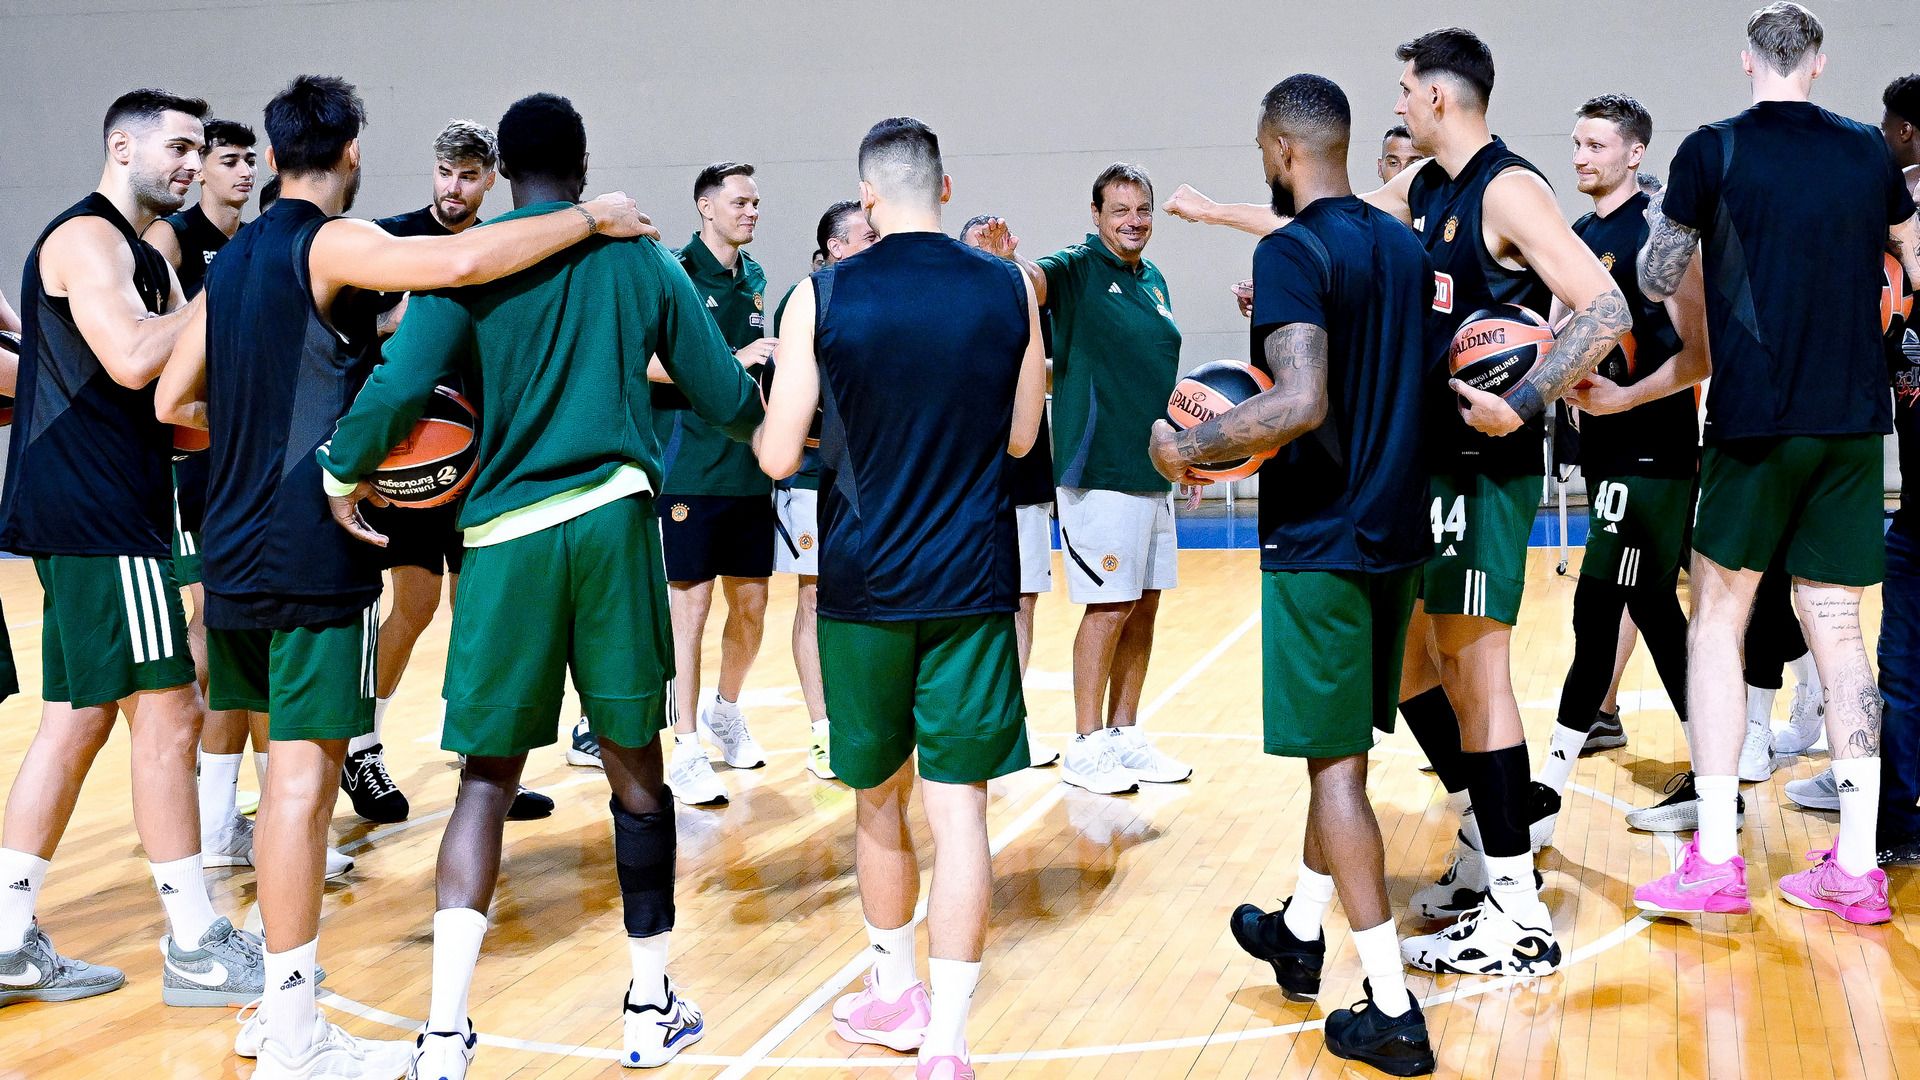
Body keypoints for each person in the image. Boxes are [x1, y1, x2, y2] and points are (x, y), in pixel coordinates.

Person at [155, 74, 649, 1075]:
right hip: (308, 547)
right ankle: (294, 1033)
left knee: (279, 784)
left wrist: (257, 432)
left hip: (232, 546)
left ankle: (279, 1011)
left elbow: (172, 399)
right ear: (350, 154)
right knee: (301, 789)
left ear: (274, 153)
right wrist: (591, 217)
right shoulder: (327, 240)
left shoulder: (233, 257)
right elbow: (460, 260)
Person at [1162, 26, 1629, 973]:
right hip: (1425, 469)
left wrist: (1524, 403)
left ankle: (1516, 906)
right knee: (1411, 665)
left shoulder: (1508, 187)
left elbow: (1606, 307)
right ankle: (1450, 852)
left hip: (1485, 466)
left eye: (1408, 89)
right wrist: (1215, 215)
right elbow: (1323, 215)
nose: (1400, 103)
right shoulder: (1424, 187)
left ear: (1441, 98)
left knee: (1476, 672)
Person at [317, 91, 755, 1080]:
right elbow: (726, 396)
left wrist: (343, 468)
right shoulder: (640, 256)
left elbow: (398, 388)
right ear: (583, 163)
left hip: (504, 540)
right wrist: (778, 416)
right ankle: (648, 1007)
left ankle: (442, 1037)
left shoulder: (468, 261)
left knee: (485, 781)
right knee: (636, 771)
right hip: (612, 525)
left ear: (505, 172)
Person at [1150, 74, 1438, 1076]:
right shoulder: (1403, 247)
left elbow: (1301, 400)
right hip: (1396, 533)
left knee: (1337, 774)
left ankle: (1392, 1011)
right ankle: (1301, 932)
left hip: (1324, 540)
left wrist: (1189, 448)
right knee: (1340, 753)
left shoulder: (1288, 250)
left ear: (1280, 149)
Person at [758, 115, 1045, 1080]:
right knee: (960, 813)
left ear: (867, 198)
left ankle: (895, 992)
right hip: (973, 579)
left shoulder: (824, 292)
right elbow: (1020, 439)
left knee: (878, 801)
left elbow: (776, 453)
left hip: (864, 583)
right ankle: (949, 1042)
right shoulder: (1011, 286)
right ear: (945, 188)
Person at [1632, 2, 1919, 924]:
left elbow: (1654, 275)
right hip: (1853, 425)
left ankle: (1717, 859)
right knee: (1840, 632)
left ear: (1747, 60)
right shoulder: (1870, 153)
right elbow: (1912, 256)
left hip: (1755, 420)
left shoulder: (1712, 149)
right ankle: (1859, 867)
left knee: (1718, 622)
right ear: (1820, 63)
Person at [0, 88, 272, 1013]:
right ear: (122, 147)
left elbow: (175, 392)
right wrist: (227, 292)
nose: (193, 165)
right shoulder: (87, 239)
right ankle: (195, 943)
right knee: (171, 713)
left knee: (76, 720)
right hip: (100, 513)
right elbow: (130, 357)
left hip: (98, 508)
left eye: (201, 150)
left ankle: (7, 938)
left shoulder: (147, 256)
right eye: (180, 148)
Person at [349, 120, 554, 826]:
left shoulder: (499, 246)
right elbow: (353, 342)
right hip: (412, 456)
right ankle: (361, 746)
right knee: (414, 603)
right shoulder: (390, 242)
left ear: (490, 179)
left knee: (480, 612)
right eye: (445, 172)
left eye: (469, 175)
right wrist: (399, 320)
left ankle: (484, 763)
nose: (454, 187)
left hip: (482, 457)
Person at [968, 166, 1192, 797]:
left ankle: (1125, 733)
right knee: (1109, 607)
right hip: (1098, 473)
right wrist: (1004, 261)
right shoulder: (1075, 268)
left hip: (1153, 470)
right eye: (1120, 210)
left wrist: (1187, 454)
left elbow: (1157, 377)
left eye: (1142, 209)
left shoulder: (1154, 280)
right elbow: (1032, 281)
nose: (1134, 221)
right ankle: (1086, 743)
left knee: (1144, 605)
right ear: (1096, 215)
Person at [1531, 95, 1711, 842]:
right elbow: (1558, 336)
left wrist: (1623, 399)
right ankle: (1716, 779)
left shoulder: (1659, 238)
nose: (1581, 156)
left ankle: (1546, 793)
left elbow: (1699, 356)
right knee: (1659, 614)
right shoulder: (1577, 236)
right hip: (1609, 455)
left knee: (1596, 612)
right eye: (1577, 143)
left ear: (1635, 153)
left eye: (1597, 145)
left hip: (1652, 457)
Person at [613, 160, 774, 808]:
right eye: (740, 202)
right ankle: (684, 746)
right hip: (687, 466)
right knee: (691, 609)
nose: (751, 211)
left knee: (753, 606)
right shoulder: (672, 270)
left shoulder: (755, 277)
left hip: (746, 466)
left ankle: (725, 711)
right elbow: (645, 358)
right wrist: (729, 362)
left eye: (755, 202)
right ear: (706, 207)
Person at [769, 199, 877, 781]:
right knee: (814, 597)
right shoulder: (806, 299)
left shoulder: (882, 298)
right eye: (866, 236)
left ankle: (863, 718)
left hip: (872, 478)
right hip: (812, 476)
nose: (877, 242)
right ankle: (821, 729)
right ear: (835, 247)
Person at [961, 212, 1061, 768]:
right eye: (978, 248)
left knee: (1024, 600)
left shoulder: (1027, 303)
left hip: (1024, 475)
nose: (989, 256)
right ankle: (968, 717)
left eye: (996, 247)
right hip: (966, 479)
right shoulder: (949, 307)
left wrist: (1013, 274)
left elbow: (1050, 371)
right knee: (973, 603)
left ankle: (1010, 719)